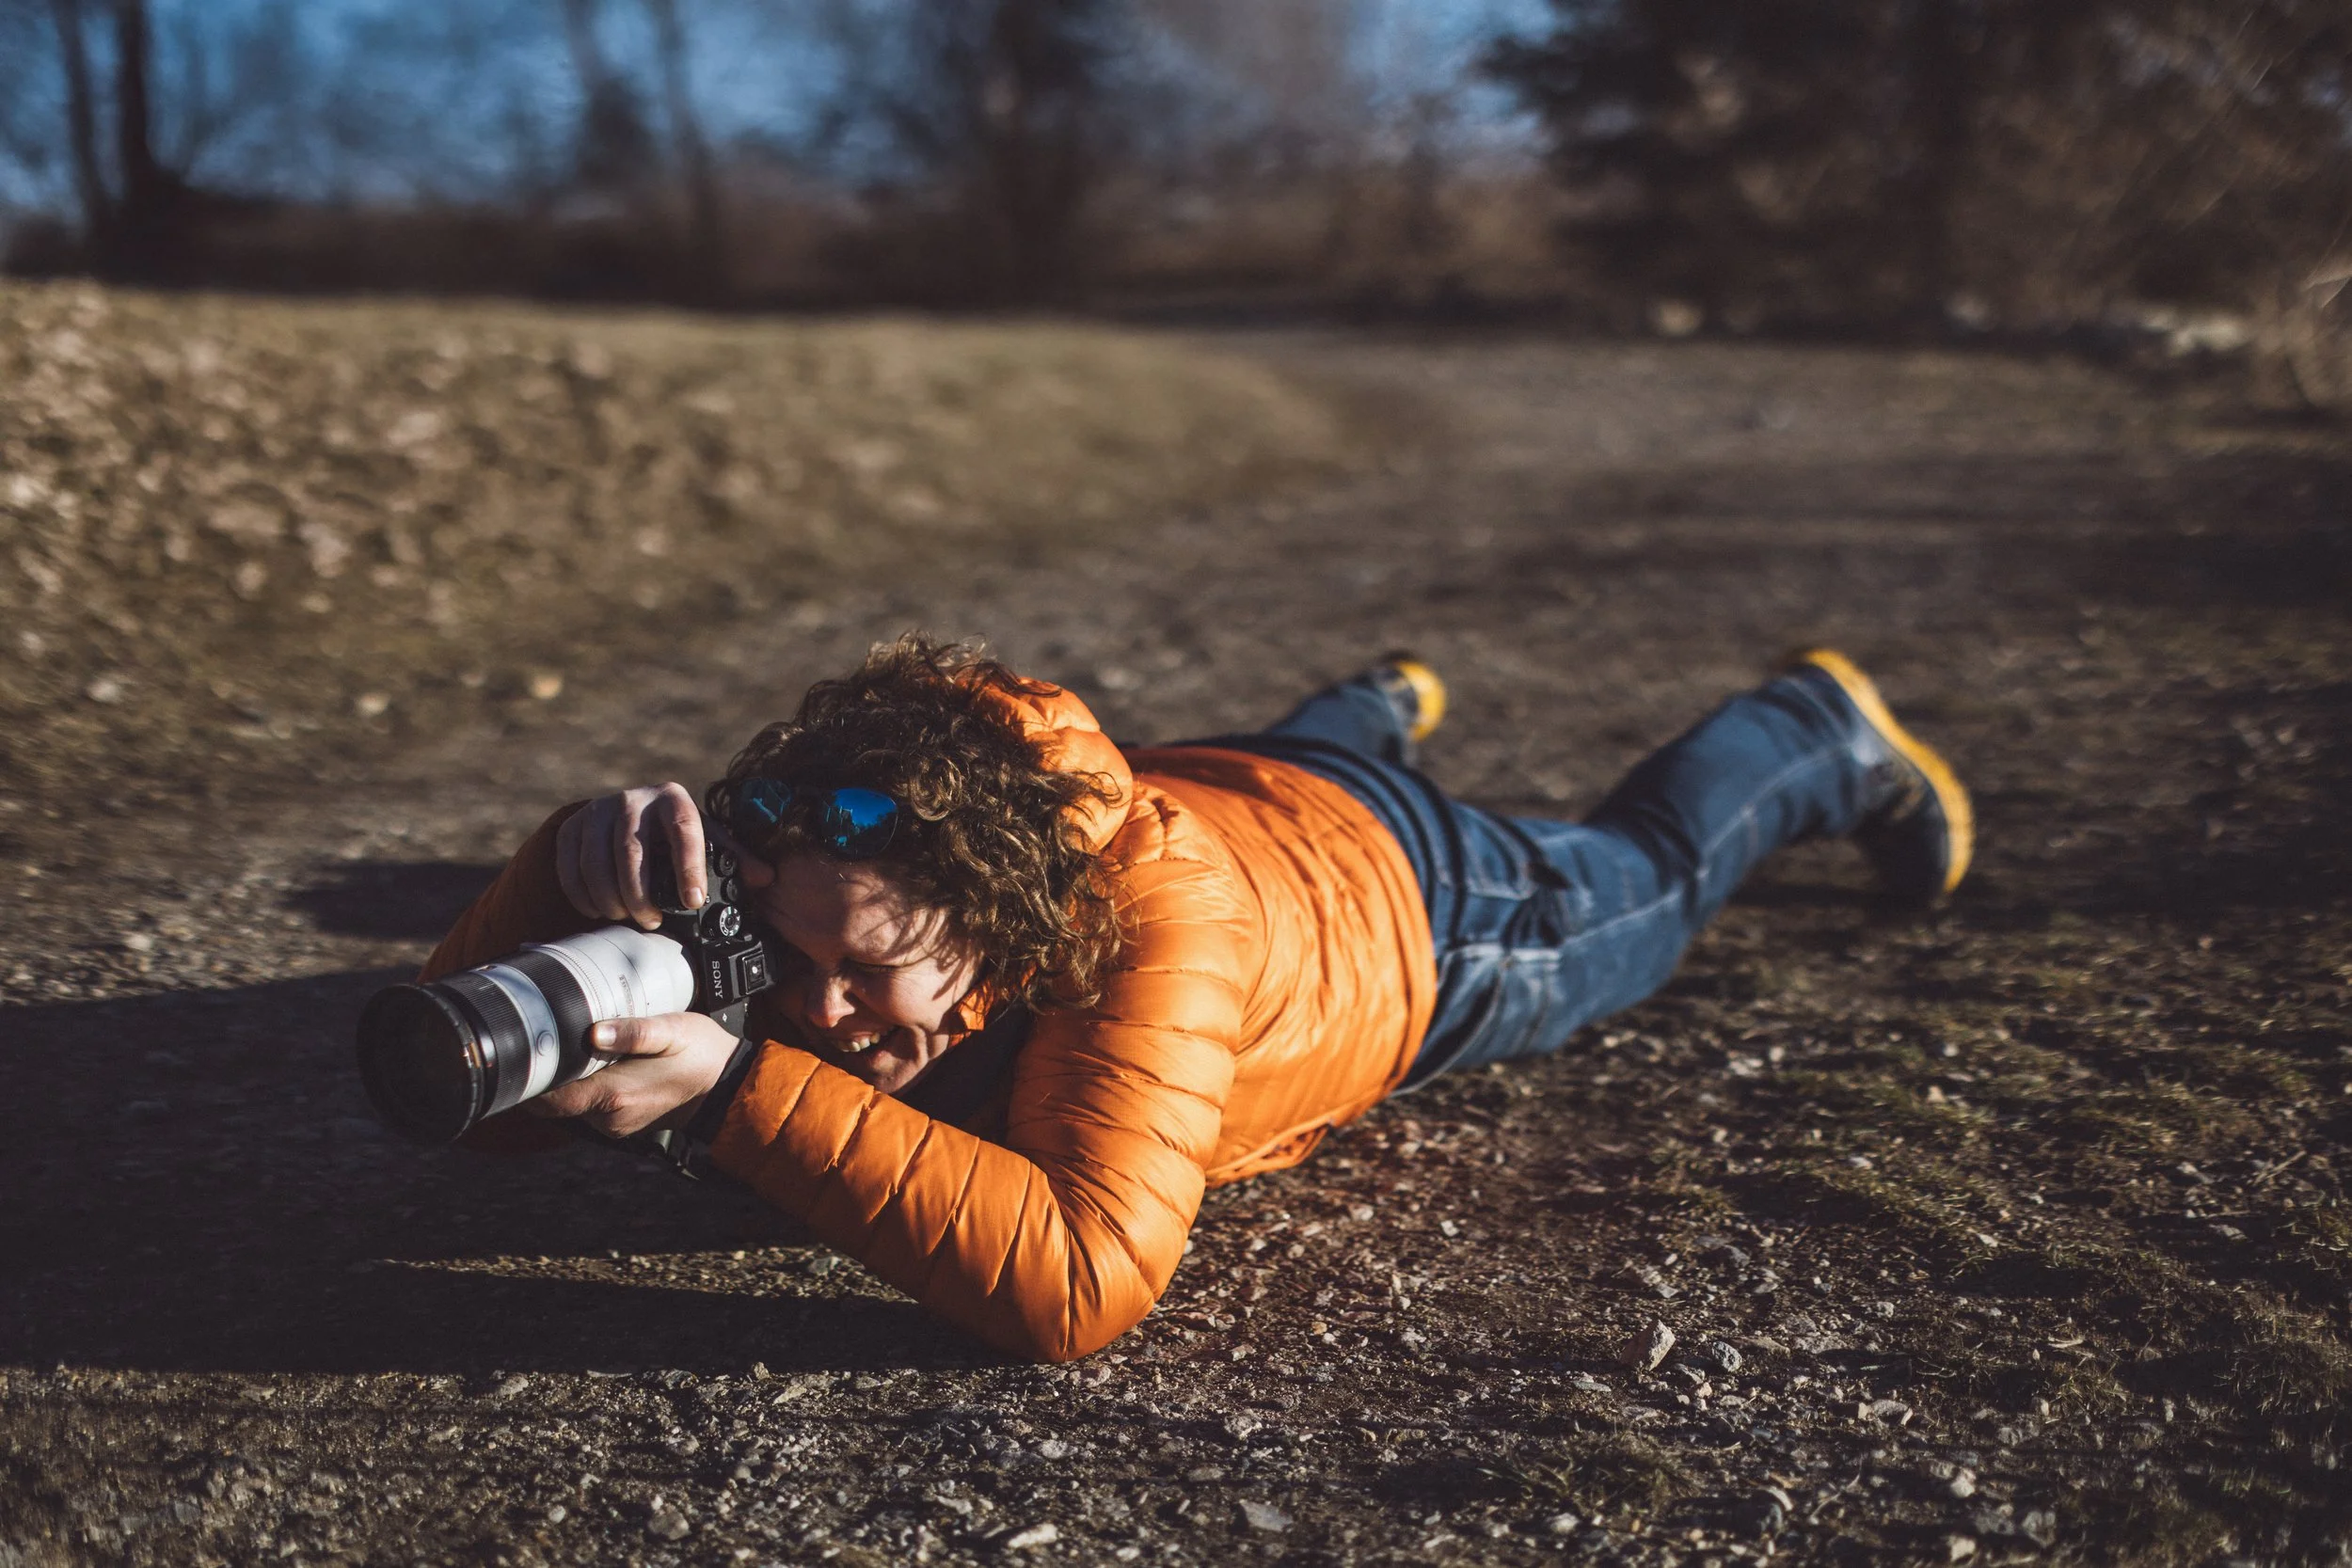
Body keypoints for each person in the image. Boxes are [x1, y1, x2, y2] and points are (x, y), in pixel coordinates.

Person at [419, 637, 1971, 1361]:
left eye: (867, 970)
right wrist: (558, 877)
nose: (816, 1015)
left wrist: (738, 1096)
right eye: (794, 958)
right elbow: (465, 1090)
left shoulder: (1140, 925)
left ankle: (1807, 724)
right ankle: (1366, 706)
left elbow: (1081, 1280)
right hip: (1235, 779)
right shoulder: (902, 850)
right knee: (1276, 753)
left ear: (1010, 922)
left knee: (1652, 869)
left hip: (1425, 904)